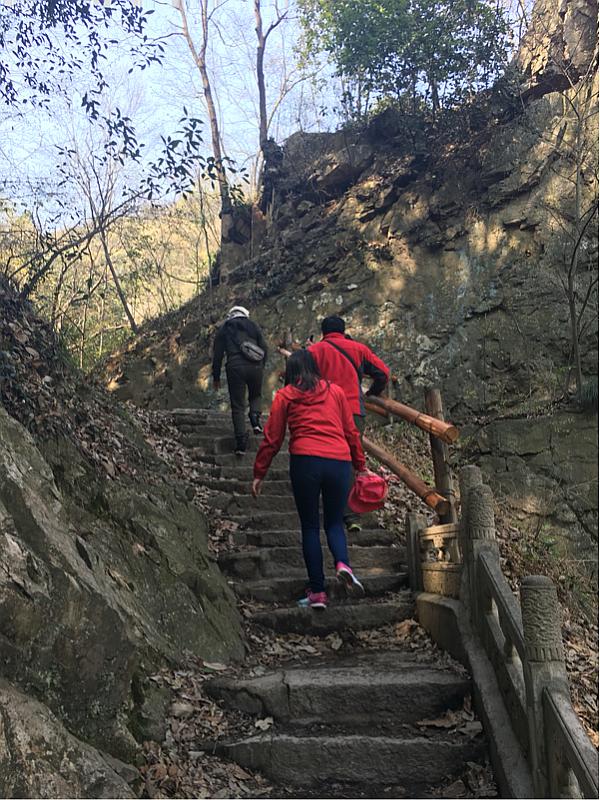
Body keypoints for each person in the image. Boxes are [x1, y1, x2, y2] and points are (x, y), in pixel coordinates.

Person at [252, 350, 367, 609]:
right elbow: (351, 432)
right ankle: (343, 564)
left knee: (310, 527)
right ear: (315, 368)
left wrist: (259, 473)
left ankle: (317, 592)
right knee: (335, 522)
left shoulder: (285, 396)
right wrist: (360, 466)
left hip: (306, 461)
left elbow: (273, 438)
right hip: (339, 462)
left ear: (291, 373)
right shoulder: (336, 392)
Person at [309, 315, 390, 531]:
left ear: (323, 332)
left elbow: (300, 379)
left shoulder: (314, 351)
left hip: (322, 411)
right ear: (344, 330)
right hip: (353, 410)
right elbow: (383, 373)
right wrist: (372, 393)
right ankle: (351, 514)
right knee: (351, 456)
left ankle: (327, 506)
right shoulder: (358, 349)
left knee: (324, 455)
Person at [212, 305, 268, 455]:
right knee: (255, 395)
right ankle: (255, 418)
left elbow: (217, 355)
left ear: (231, 315)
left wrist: (216, 377)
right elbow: (264, 347)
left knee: (238, 406)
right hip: (256, 367)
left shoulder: (225, 329)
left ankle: (241, 443)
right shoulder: (253, 326)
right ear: (245, 314)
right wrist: (261, 366)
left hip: (235, 367)